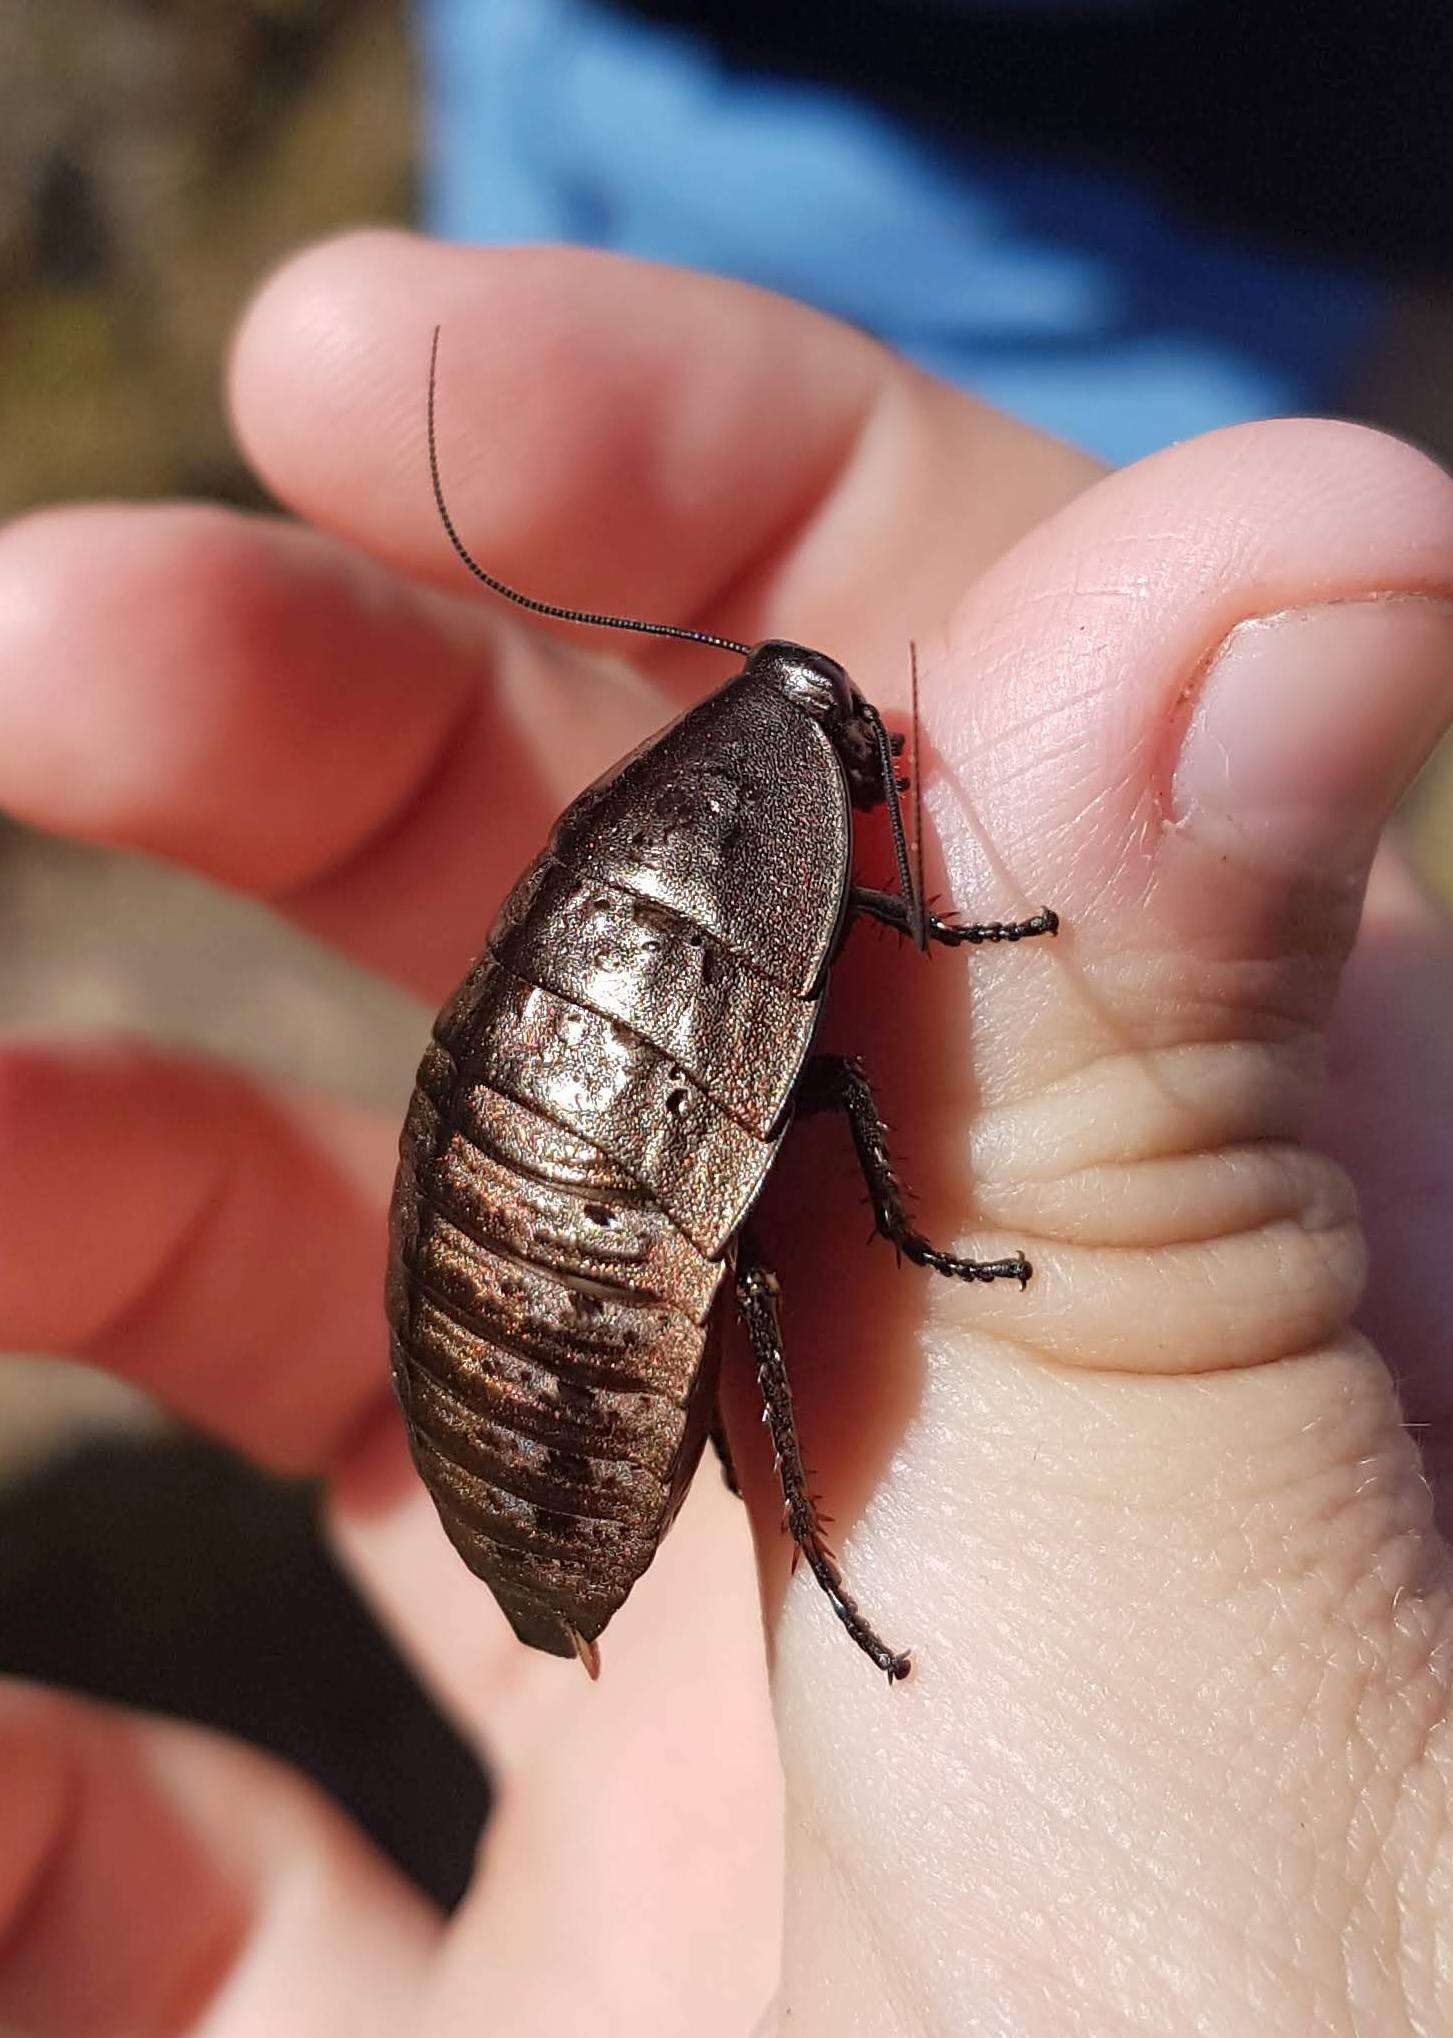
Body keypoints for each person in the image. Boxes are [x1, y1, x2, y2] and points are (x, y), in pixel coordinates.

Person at [1, 227, 1451, 2034]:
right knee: (777, 1222)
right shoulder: (761, 877)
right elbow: (818, 1040)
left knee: (782, 1187)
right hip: (550, 1375)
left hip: (512, 1325)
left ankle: (814, 1534)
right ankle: (822, 1553)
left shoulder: (667, 828)